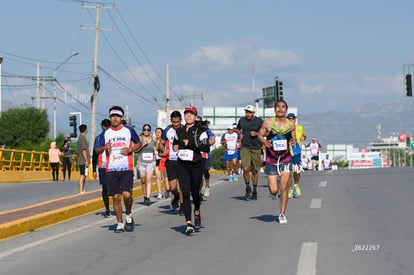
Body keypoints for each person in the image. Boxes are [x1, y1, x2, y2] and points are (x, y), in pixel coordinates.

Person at [95, 106, 142, 233]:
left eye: (117, 116)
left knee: (127, 195)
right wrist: (104, 147)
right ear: (110, 118)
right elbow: (96, 149)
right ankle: (120, 223)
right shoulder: (106, 133)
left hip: (127, 167)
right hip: (111, 169)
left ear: (121, 118)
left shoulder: (128, 130)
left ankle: (128, 213)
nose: (115, 118)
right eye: (112, 116)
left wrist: (130, 149)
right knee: (115, 197)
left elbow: (139, 143)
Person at [173, 106, 210, 234]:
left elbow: (206, 148)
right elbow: (175, 143)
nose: (188, 116)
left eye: (191, 114)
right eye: (186, 114)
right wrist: (175, 147)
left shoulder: (201, 131)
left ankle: (197, 210)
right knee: (185, 191)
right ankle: (188, 222)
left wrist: (191, 144)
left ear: (195, 116)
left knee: (195, 192)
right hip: (182, 164)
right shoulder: (180, 130)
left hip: (196, 164)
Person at [258, 100, 296, 224]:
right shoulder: (269, 122)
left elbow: (293, 136)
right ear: (275, 110)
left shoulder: (290, 124)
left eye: (283, 107)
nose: (280, 109)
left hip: (285, 158)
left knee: (283, 187)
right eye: (278, 107)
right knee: (274, 190)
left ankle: (282, 214)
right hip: (271, 159)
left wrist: (294, 141)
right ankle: (273, 193)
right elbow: (260, 135)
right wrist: (264, 142)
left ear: (286, 110)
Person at [236, 105, 263, 200]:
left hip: (256, 147)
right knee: (246, 168)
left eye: (250, 112)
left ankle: (255, 189)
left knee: (255, 170)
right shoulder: (242, 120)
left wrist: (256, 134)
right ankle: (248, 187)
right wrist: (240, 134)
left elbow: (265, 132)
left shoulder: (259, 121)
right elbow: (237, 129)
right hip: (245, 146)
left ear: (253, 113)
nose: (248, 114)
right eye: (246, 112)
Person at [160, 111, 182, 212]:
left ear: (181, 120)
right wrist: (163, 150)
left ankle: (182, 205)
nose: (176, 124)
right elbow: (161, 143)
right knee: (173, 187)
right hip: (171, 161)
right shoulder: (167, 130)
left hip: (182, 161)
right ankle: (176, 198)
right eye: (174, 122)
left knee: (182, 185)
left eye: (177, 122)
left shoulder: (185, 129)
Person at [92, 119, 112, 218]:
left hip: (103, 166)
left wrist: (93, 169)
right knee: (112, 188)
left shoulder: (98, 138)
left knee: (105, 189)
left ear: (102, 126)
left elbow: (94, 154)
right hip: (113, 165)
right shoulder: (114, 135)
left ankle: (107, 209)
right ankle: (110, 208)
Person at [286, 113, 306, 199]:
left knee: (296, 171)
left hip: (296, 152)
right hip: (286, 152)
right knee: (287, 172)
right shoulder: (284, 129)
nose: (291, 120)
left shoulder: (300, 127)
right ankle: (290, 190)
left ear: (295, 119)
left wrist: (303, 137)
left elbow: (304, 135)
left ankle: (296, 184)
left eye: (292, 118)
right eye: (289, 119)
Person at [136, 124, 157, 206]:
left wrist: (156, 145)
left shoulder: (153, 139)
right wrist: (142, 145)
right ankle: (144, 195)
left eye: (148, 130)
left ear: (150, 131)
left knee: (149, 179)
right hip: (141, 161)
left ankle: (148, 197)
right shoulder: (139, 139)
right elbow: (136, 150)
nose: (146, 131)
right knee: (143, 180)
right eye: (144, 129)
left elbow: (157, 148)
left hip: (151, 161)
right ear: (142, 130)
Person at [197, 115, 215, 199]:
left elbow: (212, 138)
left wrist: (210, 142)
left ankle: (207, 187)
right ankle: (199, 192)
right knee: (198, 174)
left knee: (205, 172)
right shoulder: (191, 130)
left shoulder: (206, 130)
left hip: (204, 154)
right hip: (195, 154)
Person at [77, 124, 90, 194]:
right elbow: (83, 150)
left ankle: (83, 190)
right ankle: (81, 190)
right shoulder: (82, 138)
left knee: (84, 175)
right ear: (86, 130)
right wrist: (86, 160)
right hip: (82, 160)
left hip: (82, 160)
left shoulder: (81, 138)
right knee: (82, 175)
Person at [154, 127, 165, 199]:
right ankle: (160, 193)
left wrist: (157, 143)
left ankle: (167, 190)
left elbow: (159, 149)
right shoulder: (153, 141)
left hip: (163, 160)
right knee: (158, 177)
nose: (158, 134)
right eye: (156, 132)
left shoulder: (163, 141)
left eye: (159, 132)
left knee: (164, 177)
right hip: (156, 160)